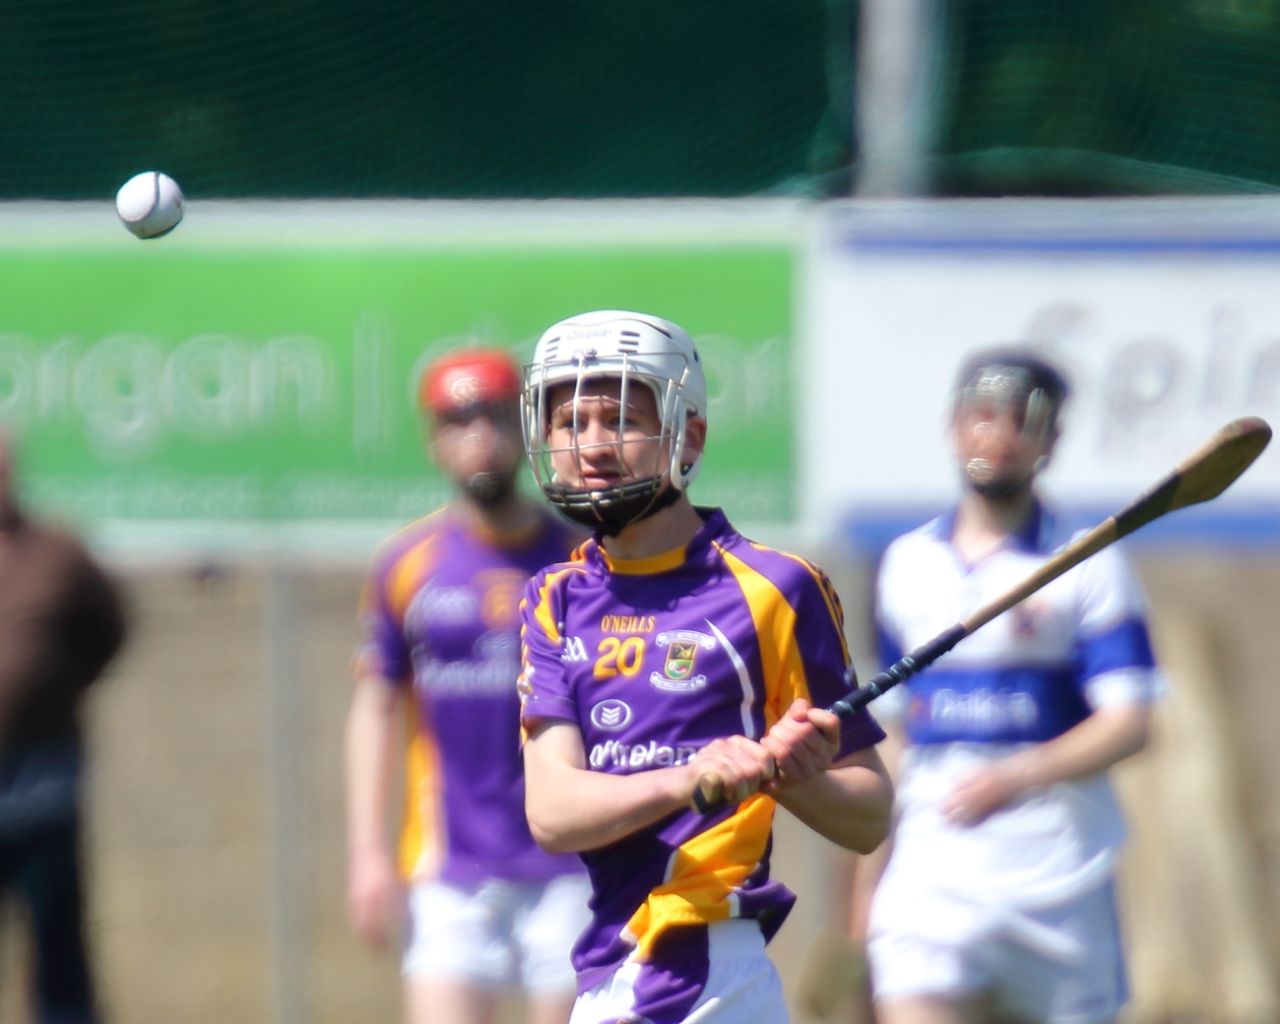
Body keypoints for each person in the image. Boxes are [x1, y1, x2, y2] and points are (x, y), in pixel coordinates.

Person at [516, 309, 894, 1024]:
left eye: (618, 419)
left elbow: (869, 817)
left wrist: (795, 775)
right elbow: (553, 812)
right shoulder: (553, 600)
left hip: (705, 969)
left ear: (687, 434)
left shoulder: (776, 589)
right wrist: (689, 779)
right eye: (569, 423)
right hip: (611, 968)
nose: (591, 446)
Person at [865, 348, 1162, 1024]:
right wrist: (864, 897)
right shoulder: (906, 565)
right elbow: (892, 740)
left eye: (1024, 423)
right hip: (931, 883)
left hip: (1058, 878)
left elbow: (1130, 722)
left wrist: (1017, 775)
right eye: (984, 415)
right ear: (954, 427)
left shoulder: (1088, 562)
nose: (999, 436)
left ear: (1050, 443)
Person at [345, 348, 591, 1024]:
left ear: (526, 429)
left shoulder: (581, 560)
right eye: (457, 420)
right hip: (449, 867)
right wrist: (368, 855)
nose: (477, 435)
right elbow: (376, 707)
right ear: (433, 440)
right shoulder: (407, 564)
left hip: (570, 865)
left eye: (493, 416)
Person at [0, 430, 128, 1024]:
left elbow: (109, 631)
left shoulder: (56, 552)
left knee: (57, 939)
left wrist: (51, 688)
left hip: (43, 776)